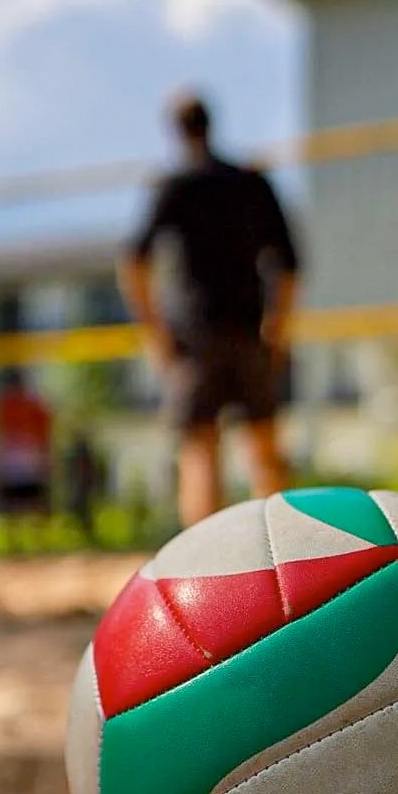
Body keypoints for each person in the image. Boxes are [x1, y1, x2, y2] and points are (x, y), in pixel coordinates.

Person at [118, 92, 301, 527]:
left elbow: (134, 263)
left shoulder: (175, 185)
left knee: (200, 451)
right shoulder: (252, 180)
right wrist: (278, 329)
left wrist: (154, 331)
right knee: (265, 449)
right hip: (248, 329)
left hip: (194, 338)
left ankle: (202, 571)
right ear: (210, 124)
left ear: (177, 131)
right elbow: (289, 266)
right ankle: (288, 558)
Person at [0, 369, 53, 551]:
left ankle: (32, 542)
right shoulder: (8, 406)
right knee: (20, 503)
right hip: (18, 458)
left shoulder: (26, 406)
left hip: (23, 458)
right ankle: (27, 542)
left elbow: (44, 432)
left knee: (30, 502)